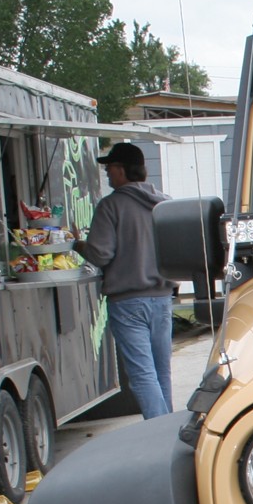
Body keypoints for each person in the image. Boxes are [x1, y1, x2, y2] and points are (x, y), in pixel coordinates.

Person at [76, 142, 173, 418]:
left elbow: (100, 254)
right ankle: (170, 435)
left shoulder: (111, 206)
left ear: (122, 170)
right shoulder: (164, 203)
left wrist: (77, 244)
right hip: (163, 298)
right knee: (161, 371)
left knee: (142, 375)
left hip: (128, 302)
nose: (107, 174)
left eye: (109, 169)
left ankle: (159, 436)